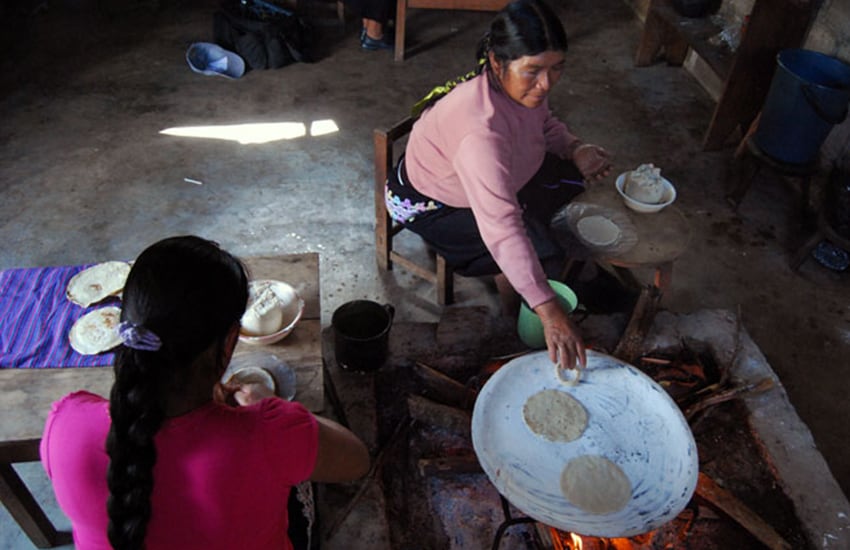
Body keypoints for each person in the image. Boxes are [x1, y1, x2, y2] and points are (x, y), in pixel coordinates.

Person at [40, 236, 370, 550]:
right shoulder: (269, 432)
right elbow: (356, 460)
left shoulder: (66, 425)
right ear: (229, 343)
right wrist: (271, 407)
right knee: (300, 488)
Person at [385, 0, 612, 372]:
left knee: (570, 183)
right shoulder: (479, 133)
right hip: (430, 204)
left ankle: (563, 280)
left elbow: (544, 123)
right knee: (535, 249)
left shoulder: (518, 86)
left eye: (557, 69)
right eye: (534, 71)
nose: (546, 83)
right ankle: (516, 318)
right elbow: (502, 228)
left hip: (497, 176)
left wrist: (575, 147)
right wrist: (549, 310)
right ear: (496, 62)